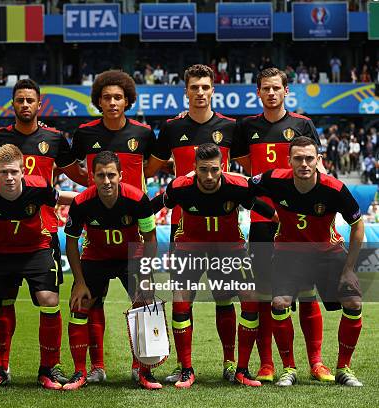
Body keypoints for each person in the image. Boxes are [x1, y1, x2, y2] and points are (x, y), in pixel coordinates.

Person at [0, 78, 86, 383]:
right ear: (13, 104)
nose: (25, 105)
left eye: (30, 100)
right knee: (3, 302)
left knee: (48, 299)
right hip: (0, 232)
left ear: (39, 104)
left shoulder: (55, 139)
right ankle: (1, 367)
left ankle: (50, 367)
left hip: (41, 233)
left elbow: (78, 177)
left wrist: (110, 189)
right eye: (20, 100)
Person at [145, 64, 242, 383]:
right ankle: (185, 366)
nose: (200, 92)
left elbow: (250, 173)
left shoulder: (231, 127)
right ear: (185, 91)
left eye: (205, 87)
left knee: (225, 297)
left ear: (214, 90)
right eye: (194, 87)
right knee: (182, 298)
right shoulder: (172, 129)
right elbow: (149, 170)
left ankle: (230, 365)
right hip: (185, 227)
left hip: (226, 226)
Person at [232, 67, 328, 383]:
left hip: (299, 224)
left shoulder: (303, 125)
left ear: (286, 90)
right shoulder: (247, 127)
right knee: (263, 294)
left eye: (276, 88)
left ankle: (316, 362)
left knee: (307, 291)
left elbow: (319, 166)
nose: (271, 93)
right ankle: (267, 364)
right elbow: (247, 168)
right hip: (262, 221)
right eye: (266, 88)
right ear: (258, 93)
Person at [152, 143, 276, 388]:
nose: (209, 176)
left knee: (249, 298)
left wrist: (285, 228)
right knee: (180, 301)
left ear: (222, 168)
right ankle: (186, 369)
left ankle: (239, 368)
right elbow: (151, 207)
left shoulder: (238, 186)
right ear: (194, 169)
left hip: (229, 248)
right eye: (203, 170)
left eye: (214, 170)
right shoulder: (179, 188)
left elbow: (266, 210)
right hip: (190, 248)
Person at [249, 137, 364, 387]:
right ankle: (288, 368)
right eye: (298, 158)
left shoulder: (333, 188)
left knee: (354, 301)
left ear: (318, 160)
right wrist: (269, 213)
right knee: (279, 304)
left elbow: (358, 225)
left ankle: (344, 368)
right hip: (289, 254)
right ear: (289, 160)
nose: (304, 163)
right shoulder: (274, 180)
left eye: (309, 158)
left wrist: (349, 269)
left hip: (328, 253)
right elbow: (243, 188)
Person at [0, 144, 76, 390]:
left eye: (14, 172)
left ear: (23, 171)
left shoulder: (40, 186)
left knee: (49, 299)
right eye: (4, 173)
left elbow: (61, 198)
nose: (9, 177)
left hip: (35, 250)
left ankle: (47, 371)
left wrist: (91, 197)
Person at [70, 70, 156, 383]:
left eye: (118, 97)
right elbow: (71, 167)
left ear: (127, 100)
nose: (112, 102)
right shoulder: (84, 134)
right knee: (90, 303)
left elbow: (154, 166)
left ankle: (140, 368)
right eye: (106, 97)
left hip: (132, 232)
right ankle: (96, 368)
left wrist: (133, 197)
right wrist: (90, 191)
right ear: (98, 101)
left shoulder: (144, 134)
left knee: (144, 303)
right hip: (96, 238)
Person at [62, 151, 159, 390]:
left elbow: (150, 238)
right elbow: (71, 242)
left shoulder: (138, 199)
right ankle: (84, 372)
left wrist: (146, 273)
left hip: (131, 257)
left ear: (120, 176)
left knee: (146, 304)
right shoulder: (82, 202)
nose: (106, 181)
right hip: (96, 258)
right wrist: (80, 282)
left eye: (111, 175)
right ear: (93, 177)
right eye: (101, 175)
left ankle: (142, 370)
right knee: (79, 305)